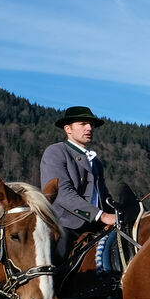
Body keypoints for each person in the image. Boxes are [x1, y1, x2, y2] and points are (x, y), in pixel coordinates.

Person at [40, 106, 116, 257]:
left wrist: (120, 211)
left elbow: (103, 196)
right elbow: (62, 193)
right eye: (82, 124)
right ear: (68, 129)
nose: (89, 128)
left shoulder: (97, 163)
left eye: (91, 125)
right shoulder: (56, 152)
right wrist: (100, 215)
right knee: (53, 267)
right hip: (65, 225)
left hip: (96, 226)